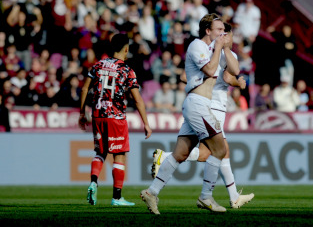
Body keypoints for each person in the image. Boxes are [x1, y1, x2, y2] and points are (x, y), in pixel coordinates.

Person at [140, 13, 240, 215]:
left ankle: (152, 192)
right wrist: (220, 47)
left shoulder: (217, 48)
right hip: (198, 103)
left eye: (224, 31)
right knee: (220, 149)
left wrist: (226, 47)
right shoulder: (197, 46)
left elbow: (235, 70)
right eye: (219, 30)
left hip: (199, 104)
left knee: (181, 153)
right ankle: (206, 196)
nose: (223, 33)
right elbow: (210, 69)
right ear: (208, 30)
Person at [79, 33, 152, 206]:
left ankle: (93, 182)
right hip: (116, 116)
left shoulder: (98, 65)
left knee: (100, 152)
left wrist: (82, 113)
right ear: (126, 48)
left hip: (98, 115)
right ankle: (117, 197)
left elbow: (84, 89)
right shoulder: (127, 70)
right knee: (119, 156)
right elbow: (137, 99)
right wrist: (146, 123)